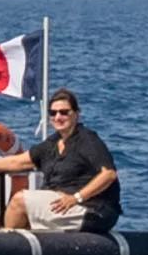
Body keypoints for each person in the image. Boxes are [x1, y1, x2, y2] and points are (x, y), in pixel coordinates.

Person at [21, 90, 121, 232]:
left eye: (64, 112)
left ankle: (8, 245)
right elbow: (18, 162)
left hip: (92, 210)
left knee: (19, 201)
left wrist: (76, 198)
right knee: (29, 209)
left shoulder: (87, 140)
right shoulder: (53, 143)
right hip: (62, 204)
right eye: (53, 113)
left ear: (76, 114)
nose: (58, 117)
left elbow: (109, 174)